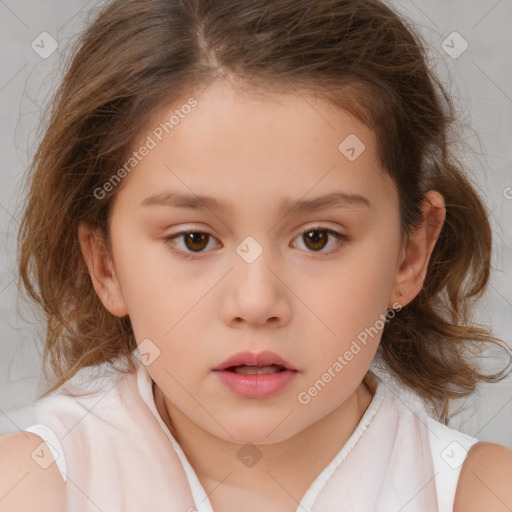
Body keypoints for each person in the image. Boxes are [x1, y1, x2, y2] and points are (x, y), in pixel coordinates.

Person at [1, 0, 512, 510]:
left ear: (410, 254)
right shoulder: (29, 488)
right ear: (105, 264)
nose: (255, 301)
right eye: (194, 240)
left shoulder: (483, 495)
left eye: (318, 238)